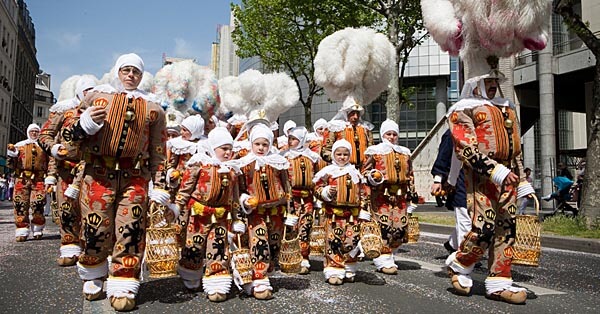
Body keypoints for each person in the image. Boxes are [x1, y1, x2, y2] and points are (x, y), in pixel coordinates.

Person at [64, 53, 167, 311]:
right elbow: (68, 142)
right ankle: (94, 271)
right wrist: (84, 125)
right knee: (95, 227)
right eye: (126, 70)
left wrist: (160, 184)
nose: (131, 75)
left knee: (131, 228)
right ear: (117, 72)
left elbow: (158, 149)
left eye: (136, 72)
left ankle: (124, 279)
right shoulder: (97, 97)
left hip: (135, 177)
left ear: (142, 76)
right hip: (98, 173)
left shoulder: (154, 108)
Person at [445, 72, 535, 304]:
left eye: (496, 81)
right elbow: (465, 148)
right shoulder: (463, 110)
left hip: (509, 177)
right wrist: (496, 171)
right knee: (484, 228)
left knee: (507, 228)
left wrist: (523, 180)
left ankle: (499, 281)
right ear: (475, 84)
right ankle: (460, 263)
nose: (494, 85)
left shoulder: (507, 108)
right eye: (489, 81)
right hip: (482, 177)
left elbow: (516, 148)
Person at [174, 127, 242, 302]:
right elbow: (186, 188)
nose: (228, 153)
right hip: (198, 214)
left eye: (230, 149)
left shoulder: (232, 170)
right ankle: (191, 274)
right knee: (194, 245)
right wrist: (177, 207)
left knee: (218, 246)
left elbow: (234, 197)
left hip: (220, 216)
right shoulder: (199, 164)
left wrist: (236, 218)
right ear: (213, 148)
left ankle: (217, 280)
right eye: (223, 149)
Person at [38, 75, 98, 266]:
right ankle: (70, 245)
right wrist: (54, 151)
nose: (90, 94)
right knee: (67, 209)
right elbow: (46, 134)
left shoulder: (102, 112)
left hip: (92, 170)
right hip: (67, 169)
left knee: (92, 210)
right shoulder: (65, 112)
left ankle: (90, 248)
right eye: (87, 90)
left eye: (93, 90)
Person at [237, 123, 291, 300]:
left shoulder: (278, 163)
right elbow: (240, 189)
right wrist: (245, 201)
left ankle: (265, 272)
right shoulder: (245, 164)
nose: (261, 148)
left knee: (274, 243)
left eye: (265, 144)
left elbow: (286, 186)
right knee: (259, 242)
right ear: (251, 143)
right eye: (257, 144)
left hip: (276, 212)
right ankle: (259, 277)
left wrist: (290, 209)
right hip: (255, 213)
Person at [362, 119, 417, 275]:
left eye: (394, 134)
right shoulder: (375, 152)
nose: (391, 137)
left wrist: (412, 197)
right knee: (384, 227)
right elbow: (364, 172)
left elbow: (410, 175)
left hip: (399, 197)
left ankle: (389, 253)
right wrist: (372, 177)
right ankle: (383, 259)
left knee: (399, 229)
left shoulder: (405, 153)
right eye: (388, 134)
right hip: (381, 196)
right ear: (382, 135)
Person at [314, 139, 369, 285]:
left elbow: (363, 192)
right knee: (334, 242)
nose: (342, 157)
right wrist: (325, 192)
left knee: (352, 241)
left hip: (353, 215)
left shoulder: (355, 173)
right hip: (333, 215)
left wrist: (364, 208)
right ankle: (334, 269)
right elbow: (317, 189)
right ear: (333, 155)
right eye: (339, 154)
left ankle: (349, 266)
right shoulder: (327, 172)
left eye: (345, 154)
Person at [280, 126, 325, 274]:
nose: (291, 141)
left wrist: (319, 195)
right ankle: (290, 256)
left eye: (294, 139)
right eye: (290, 138)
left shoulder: (311, 157)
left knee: (305, 226)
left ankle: (304, 255)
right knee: (291, 227)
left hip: (308, 197)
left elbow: (319, 177)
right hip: (291, 198)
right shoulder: (284, 156)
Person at [6, 124, 50, 242]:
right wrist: (11, 154)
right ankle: (21, 229)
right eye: (32, 131)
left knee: (38, 204)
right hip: (22, 179)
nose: (34, 133)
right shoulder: (19, 146)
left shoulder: (44, 146)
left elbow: (50, 163)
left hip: (39, 179)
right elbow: (10, 165)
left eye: (36, 131)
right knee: (20, 204)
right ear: (28, 132)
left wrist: (51, 177)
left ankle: (37, 228)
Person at [430, 129, 469, 254]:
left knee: (479, 221)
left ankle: (453, 243)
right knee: (465, 219)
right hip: (461, 180)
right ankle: (463, 257)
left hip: (483, 181)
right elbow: (444, 155)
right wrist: (438, 179)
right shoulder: (453, 132)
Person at [322, 97, 374, 169]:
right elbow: (326, 150)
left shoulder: (365, 128)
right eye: (352, 113)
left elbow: (371, 148)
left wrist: (371, 159)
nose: (356, 117)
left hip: (364, 168)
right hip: (342, 168)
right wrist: (338, 160)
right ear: (346, 113)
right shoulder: (336, 127)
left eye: (357, 113)